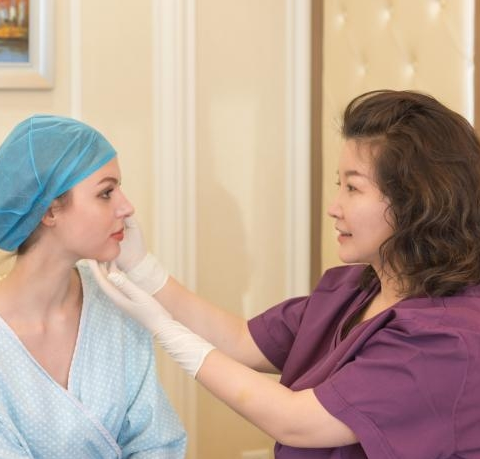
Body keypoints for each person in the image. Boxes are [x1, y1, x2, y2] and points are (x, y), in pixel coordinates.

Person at [91, 90, 480, 458]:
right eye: (339, 185)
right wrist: (144, 270)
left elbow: (297, 422)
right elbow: (241, 341)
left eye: (353, 188)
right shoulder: (355, 291)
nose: (334, 207)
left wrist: (166, 331)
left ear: (415, 201)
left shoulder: (446, 339)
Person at [0, 115, 187, 458]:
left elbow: (157, 444)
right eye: (106, 193)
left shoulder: (116, 303)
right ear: (49, 211)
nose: (126, 207)